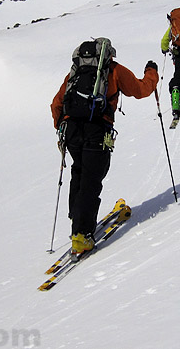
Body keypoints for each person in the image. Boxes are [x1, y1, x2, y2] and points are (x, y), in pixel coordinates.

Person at [51, 39, 158, 259]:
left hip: (71, 130)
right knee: (92, 179)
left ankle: (77, 219)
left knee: (79, 171)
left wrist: (61, 126)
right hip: (97, 130)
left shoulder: (75, 72)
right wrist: (152, 73)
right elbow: (141, 89)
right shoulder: (113, 70)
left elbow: (56, 103)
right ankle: (82, 235)